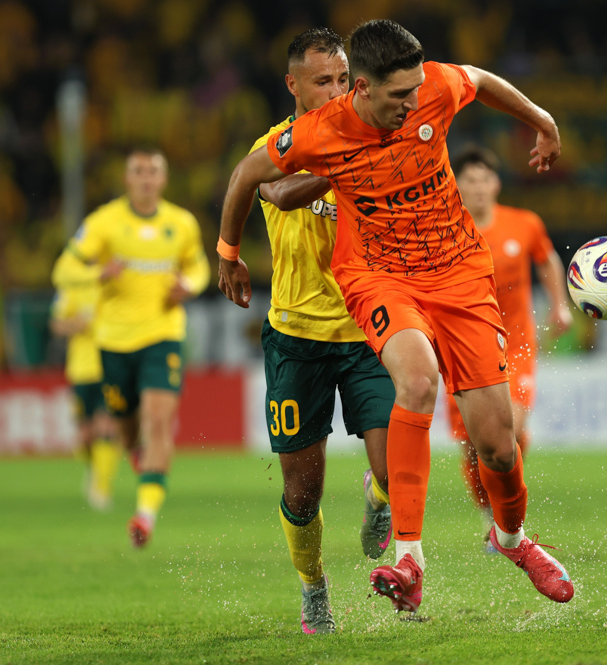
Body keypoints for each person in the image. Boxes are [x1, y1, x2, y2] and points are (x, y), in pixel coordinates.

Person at [218, 19, 574, 612]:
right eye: (398, 96)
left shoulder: (432, 87)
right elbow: (250, 176)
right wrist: (228, 252)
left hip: (458, 273)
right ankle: (407, 555)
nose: (412, 103)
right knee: (417, 379)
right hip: (378, 277)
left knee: (498, 446)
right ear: (362, 89)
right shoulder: (320, 131)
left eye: (415, 91)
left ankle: (511, 539)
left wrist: (543, 121)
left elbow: (480, 80)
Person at [249, 28, 396, 635]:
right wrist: (344, 164)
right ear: (293, 85)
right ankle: (314, 588)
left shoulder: (377, 139)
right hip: (297, 340)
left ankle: (379, 498)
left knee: (395, 468)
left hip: (367, 332)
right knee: (303, 494)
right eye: (322, 81)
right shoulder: (275, 146)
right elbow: (276, 191)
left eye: (343, 79)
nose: (336, 91)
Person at [52, 146, 210, 548]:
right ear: (127, 179)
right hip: (113, 341)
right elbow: (63, 269)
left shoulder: (182, 223)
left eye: (153, 171)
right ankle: (138, 455)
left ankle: (145, 516)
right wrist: (97, 274)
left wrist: (188, 285)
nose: (146, 178)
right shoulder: (104, 223)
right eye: (138, 171)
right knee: (125, 426)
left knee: (158, 419)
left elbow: (198, 265)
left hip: (163, 335)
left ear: (164, 179)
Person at [444, 145, 572, 550]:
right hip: (461, 347)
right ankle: (492, 517)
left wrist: (559, 305)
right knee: (474, 444)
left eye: (485, 179)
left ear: (496, 184)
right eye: (470, 180)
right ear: (457, 186)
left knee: (510, 430)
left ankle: (506, 522)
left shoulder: (524, 224)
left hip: (515, 345)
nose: (479, 187)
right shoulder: (443, 227)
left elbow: (547, 260)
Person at [49, 261, 120, 510]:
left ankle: (102, 489)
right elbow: (56, 324)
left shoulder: (116, 285)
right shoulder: (73, 286)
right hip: (81, 370)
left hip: (110, 367)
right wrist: (78, 325)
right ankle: (93, 469)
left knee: (107, 426)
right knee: (86, 435)